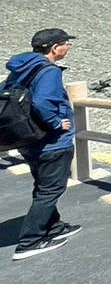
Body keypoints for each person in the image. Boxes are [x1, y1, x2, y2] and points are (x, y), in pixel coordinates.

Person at [6, 28, 80, 261]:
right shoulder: (48, 71)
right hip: (51, 142)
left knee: (43, 186)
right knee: (51, 189)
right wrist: (57, 123)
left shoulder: (22, 69)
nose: (68, 48)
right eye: (66, 44)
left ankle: (53, 226)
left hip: (29, 139)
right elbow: (42, 103)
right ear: (55, 48)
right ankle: (30, 241)